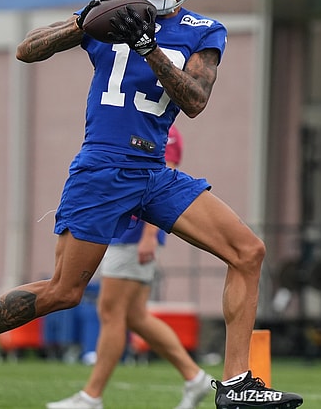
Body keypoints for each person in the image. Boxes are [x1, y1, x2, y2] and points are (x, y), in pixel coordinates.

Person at [0, 0, 303, 408]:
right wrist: (81, 23)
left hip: (153, 171)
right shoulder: (110, 17)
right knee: (64, 291)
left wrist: (148, 48)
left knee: (248, 252)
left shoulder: (203, 30)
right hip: (104, 166)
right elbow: (26, 49)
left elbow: (195, 100)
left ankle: (236, 383)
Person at [46, 125, 213, 409]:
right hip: (123, 231)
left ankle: (91, 396)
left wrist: (149, 237)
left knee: (110, 312)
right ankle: (194, 377)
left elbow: (163, 184)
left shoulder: (165, 131)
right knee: (134, 316)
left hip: (133, 237)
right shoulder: (140, 124)